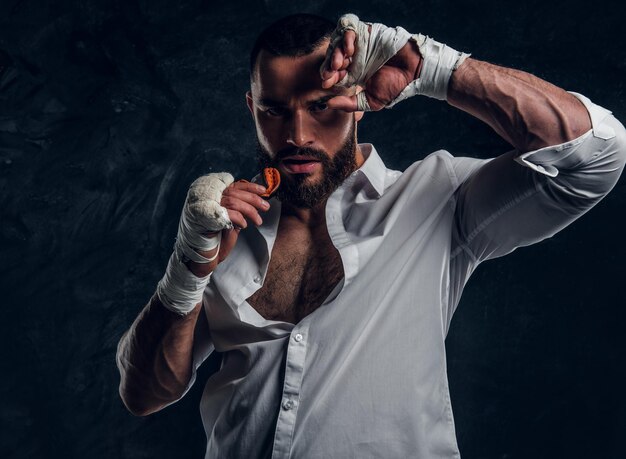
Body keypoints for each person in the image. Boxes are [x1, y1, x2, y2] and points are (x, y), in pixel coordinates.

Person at [116, 13, 626, 458]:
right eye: (275, 110)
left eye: (319, 106)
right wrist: (189, 267)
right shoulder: (224, 226)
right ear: (252, 108)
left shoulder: (436, 197)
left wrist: (434, 68)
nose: (296, 134)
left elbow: (595, 154)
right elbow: (144, 393)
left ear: (357, 99)